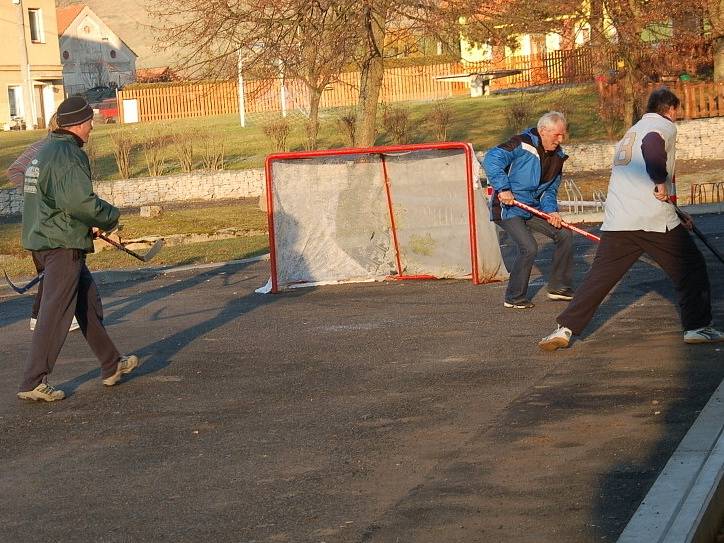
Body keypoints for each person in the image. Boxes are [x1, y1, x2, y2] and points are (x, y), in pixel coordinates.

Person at [539, 88, 723, 351]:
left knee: (598, 279)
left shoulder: (632, 131)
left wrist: (677, 212)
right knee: (691, 267)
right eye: (676, 112)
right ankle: (697, 327)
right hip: (653, 219)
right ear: (669, 109)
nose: (676, 116)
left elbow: (635, 175)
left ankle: (565, 329)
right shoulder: (662, 126)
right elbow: (652, 149)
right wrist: (660, 181)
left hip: (619, 219)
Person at [17, 96, 139, 402]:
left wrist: (83, 222)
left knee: (87, 304)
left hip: (47, 239)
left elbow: (54, 199)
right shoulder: (68, 154)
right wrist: (109, 217)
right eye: (90, 122)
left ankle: (112, 364)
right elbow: (78, 202)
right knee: (55, 313)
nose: (92, 127)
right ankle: (33, 381)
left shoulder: (44, 151)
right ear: (80, 123)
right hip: (62, 245)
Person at [482, 111, 574, 309]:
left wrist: (551, 211)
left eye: (562, 135)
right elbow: (491, 159)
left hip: (532, 208)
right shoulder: (521, 143)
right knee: (529, 247)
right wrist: (504, 188)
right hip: (508, 207)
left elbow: (549, 190)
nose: (560, 139)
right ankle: (514, 297)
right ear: (542, 131)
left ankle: (558, 287)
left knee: (565, 234)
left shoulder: (558, 157)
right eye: (556, 135)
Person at [7, 113, 80, 333]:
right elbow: (14, 171)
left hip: (57, 221)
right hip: (44, 222)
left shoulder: (68, 151)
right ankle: (59, 318)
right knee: (58, 269)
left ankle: (38, 317)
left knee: (51, 273)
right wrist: (34, 193)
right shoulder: (42, 147)